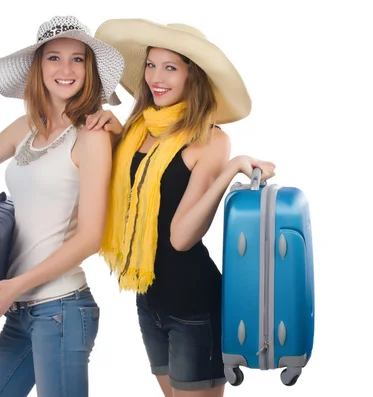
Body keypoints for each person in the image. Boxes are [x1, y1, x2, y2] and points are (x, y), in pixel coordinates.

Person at [0, 16, 124, 397]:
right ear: (39, 67)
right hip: (19, 311)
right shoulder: (25, 128)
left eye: (78, 59)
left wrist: (13, 287)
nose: (65, 70)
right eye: (54, 58)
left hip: (62, 309)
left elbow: (90, 238)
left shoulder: (92, 135)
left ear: (90, 70)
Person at [92, 19, 276, 397]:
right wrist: (110, 134)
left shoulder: (210, 140)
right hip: (148, 299)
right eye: (151, 65)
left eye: (170, 67)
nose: (156, 77)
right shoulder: (137, 130)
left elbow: (180, 237)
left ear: (193, 76)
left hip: (194, 307)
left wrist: (229, 170)